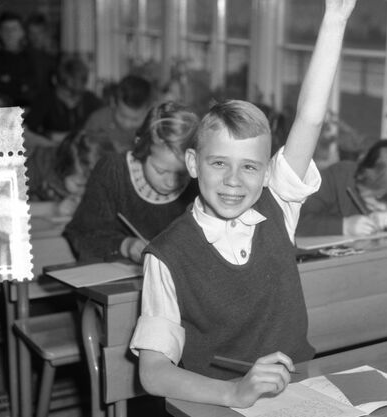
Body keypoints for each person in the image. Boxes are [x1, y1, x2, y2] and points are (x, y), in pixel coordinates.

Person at [128, 0, 357, 408]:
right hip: (215, 402)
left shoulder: (278, 205)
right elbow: (153, 372)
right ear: (193, 164)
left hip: (299, 389)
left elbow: (310, 119)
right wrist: (234, 392)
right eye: (219, 163)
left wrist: (334, 20)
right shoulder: (167, 255)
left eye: (250, 167)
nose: (234, 180)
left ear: (267, 173)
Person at [63, 101, 199, 263]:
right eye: (160, 171)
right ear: (141, 147)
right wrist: (125, 245)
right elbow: (81, 234)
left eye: (182, 174)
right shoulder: (113, 171)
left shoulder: (198, 180)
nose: (171, 183)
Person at [297, 139, 387, 236]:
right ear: (364, 176)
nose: (383, 208)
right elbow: (296, 221)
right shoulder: (337, 176)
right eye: (378, 199)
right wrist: (344, 226)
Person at [23, 55, 103, 149]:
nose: (72, 101)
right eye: (69, 94)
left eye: (78, 95)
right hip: (51, 149)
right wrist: (50, 136)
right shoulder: (45, 99)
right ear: (57, 84)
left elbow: (103, 129)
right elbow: (26, 130)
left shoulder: (90, 100)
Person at [26, 130, 113, 215]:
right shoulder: (37, 165)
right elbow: (17, 207)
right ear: (62, 170)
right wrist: (54, 208)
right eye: (79, 185)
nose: (85, 191)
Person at [83, 74, 154, 153]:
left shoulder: (151, 128)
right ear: (113, 102)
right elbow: (83, 147)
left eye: (135, 119)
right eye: (122, 116)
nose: (127, 124)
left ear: (148, 111)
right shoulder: (97, 121)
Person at [0, 12, 37, 107]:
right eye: (5, 29)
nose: (10, 33)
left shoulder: (33, 59)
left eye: (14, 29)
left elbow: (34, 92)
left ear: (22, 32)